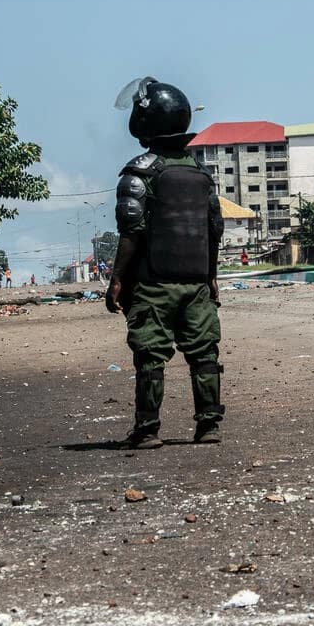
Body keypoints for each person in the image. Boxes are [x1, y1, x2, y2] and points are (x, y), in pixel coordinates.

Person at [106, 77, 225, 449]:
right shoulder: (200, 174)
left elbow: (131, 233)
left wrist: (116, 281)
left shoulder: (139, 172)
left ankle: (147, 430)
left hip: (153, 285)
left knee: (150, 356)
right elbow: (214, 230)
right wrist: (211, 277)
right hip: (196, 284)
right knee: (204, 355)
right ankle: (208, 426)